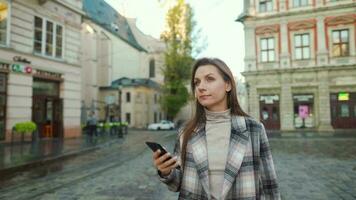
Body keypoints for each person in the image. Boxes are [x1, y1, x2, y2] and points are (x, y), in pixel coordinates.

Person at [152, 58, 280, 199]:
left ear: (228, 85)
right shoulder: (186, 131)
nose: (200, 87)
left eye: (210, 79)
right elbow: (178, 184)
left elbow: (269, 185)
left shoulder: (254, 129)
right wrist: (166, 171)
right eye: (197, 82)